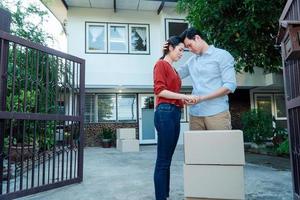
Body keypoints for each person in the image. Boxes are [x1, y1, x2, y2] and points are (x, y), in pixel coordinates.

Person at [153, 36, 197, 200]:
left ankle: (164, 196)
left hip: (174, 113)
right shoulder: (161, 64)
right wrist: (182, 96)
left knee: (167, 160)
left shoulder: (174, 71)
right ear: (170, 48)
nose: (181, 54)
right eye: (179, 50)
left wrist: (184, 99)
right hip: (165, 113)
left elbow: (174, 95)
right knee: (163, 161)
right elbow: (160, 91)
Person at [178, 27, 237, 130]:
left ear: (197, 38)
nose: (190, 50)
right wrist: (166, 54)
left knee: (219, 146)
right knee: (196, 146)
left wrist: (201, 98)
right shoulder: (191, 61)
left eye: (190, 45)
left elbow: (229, 86)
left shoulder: (222, 55)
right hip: (195, 115)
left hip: (217, 114)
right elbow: (174, 75)